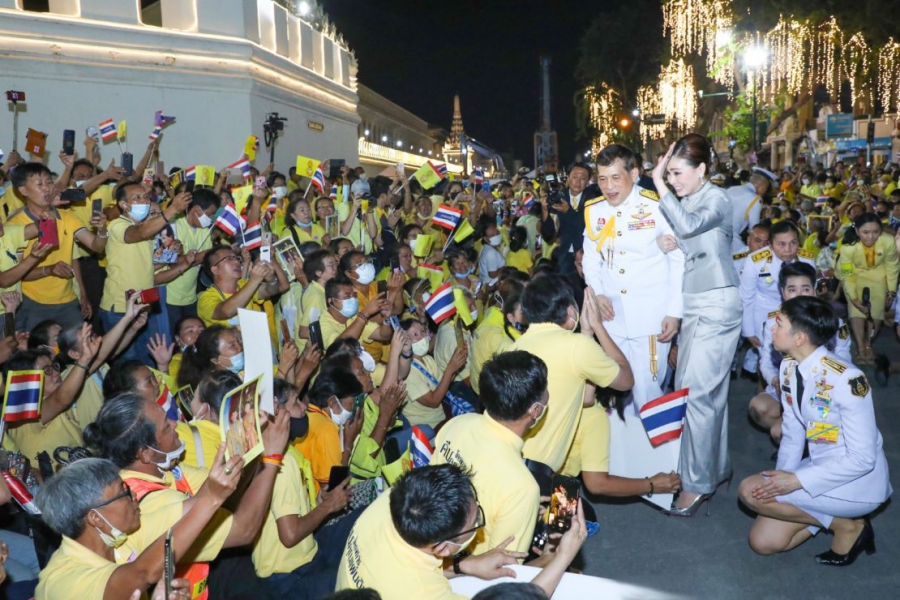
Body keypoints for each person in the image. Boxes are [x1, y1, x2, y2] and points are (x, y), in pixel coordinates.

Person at [83, 391, 289, 599]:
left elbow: (222, 484)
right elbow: (244, 530)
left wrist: (249, 432)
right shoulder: (154, 503)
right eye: (166, 426)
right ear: (145, 452)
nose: (175, 424)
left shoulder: (159, 471)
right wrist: (271, 456)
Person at [738, 296, 891, 565]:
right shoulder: (788, 367)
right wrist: (782, 478)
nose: (772, 328)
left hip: (857, 482)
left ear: (799, 338)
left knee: (749, 490)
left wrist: (796, 481)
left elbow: (863, 459)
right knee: (764, 541)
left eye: (780, 324)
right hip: (820, 465)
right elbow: (793, 431)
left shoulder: (847, 379)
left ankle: (847, 526)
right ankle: (842, 522)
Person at [583, 144, 684, 498]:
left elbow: (678, 260)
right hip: (613, 322)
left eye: (616, 178)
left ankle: (666, 473)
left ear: (635, 174)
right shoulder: (594, 211)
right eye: (602, 179)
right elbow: (591, 259)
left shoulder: (657, 207)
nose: (609, 186)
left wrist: (674, 311)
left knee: (648, 393)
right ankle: (630, 467)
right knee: (617, 393)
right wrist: (598, 294)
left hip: (651, 319)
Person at [651, 134, 742, 515]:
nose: (672, 180)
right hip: (696, 304)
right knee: (706, 394)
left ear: (701, 169)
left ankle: (697, 483)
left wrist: (657, 184)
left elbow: (689, 227)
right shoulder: (688, 200)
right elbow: (685, 237)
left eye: (677, 173)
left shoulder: (717, 197)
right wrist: (667, 243)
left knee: (696, 396)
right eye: (668, 174)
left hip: (716, 304)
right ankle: (715, 469)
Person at [336, 464, 587, 599]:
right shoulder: (423, 593)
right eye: (475, 521)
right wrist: (561, 557)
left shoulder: (396, 500)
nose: (478, 518)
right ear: (443, 547)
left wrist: (464, 564)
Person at [34, 452, 243, 600]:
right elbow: (142, 573)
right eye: (123, 492)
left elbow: (189, 513)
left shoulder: (120, 539)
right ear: (96, 518)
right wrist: (212, 498)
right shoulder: (63, 583)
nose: (133, 494)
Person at [511, 274, 632, 472]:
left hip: (509, 459)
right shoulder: (577, 347)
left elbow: (586, 399)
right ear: (570, 310)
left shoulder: (515, 347)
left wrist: (587, 334)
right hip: (536, 473)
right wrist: (598, 326)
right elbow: (626, 380)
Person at [430, 351, 544, 555]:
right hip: (465, 567)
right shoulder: (522, 489)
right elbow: (503, 569)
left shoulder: (457, 423)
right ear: (534, 410)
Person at [749, 263, 852, 445]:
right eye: (792, 290)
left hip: (823, 392)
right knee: (759, 408)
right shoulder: (775, 323)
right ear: (783, 292)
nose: (799, 295)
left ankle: (820, 443)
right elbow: (766, 362)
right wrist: (775, 380)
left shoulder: (832, 322)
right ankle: (802, 438)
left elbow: (844, 365)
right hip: (787, 389)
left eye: (805, 289)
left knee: (781, 433)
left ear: (814, 290)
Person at [10, 162, 108, 331]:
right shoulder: (16, 226)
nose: (47, 188)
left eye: (49, 182)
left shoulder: (67, 217)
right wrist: (48, 270)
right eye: (39, 184)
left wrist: (102, 231)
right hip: (33, 303)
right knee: (38, 347)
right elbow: (18, 274)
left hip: (68, 301)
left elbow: (96, 246)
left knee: (79, 344)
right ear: (23, 190)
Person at [739, 220, 815, 380]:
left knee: (799, 353)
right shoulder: (755, 261)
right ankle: (770, 387)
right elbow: (747, 297)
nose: (788, 249)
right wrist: (749, 331)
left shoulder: (807, 259)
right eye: (781, 244)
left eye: (793, 243)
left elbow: (811, 294)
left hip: (797, 311)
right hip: (764, 311)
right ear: (771, 244)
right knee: (767, 358)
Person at [833, 212, 900, 364]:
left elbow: (892, 266)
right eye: (866, 232)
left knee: (876, 313)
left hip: (879, 275)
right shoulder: (847, 247)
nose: (871, 237)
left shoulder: (888, 241)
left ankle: (868, 344)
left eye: (875, 232)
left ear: (881, 231)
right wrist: (854, 298)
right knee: (856, 311)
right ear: (857, 231)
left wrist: (891, 291)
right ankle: (860, 347)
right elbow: (848, 275)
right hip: (855, 276)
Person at [162, 187, 219, 326]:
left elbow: (202, 259)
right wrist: (211, 253)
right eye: (210, 214)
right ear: (197, 210)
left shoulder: (204, 231)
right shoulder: (174, 225)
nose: (211, 219)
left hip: (190, 296)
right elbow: (173, 261)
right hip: (170, 297)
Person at [539, 162, 599, 275]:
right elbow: (548, 235)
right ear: (567, 177)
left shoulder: (594, 199)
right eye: (575, 177)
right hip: (564, 254)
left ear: (588, 181)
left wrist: (568, 211)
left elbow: (588, 226)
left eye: (583, 178)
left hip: (587, 254)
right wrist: (544, 210)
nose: (578, 182)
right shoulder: (558, 197)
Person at [729, 172, 771, 253]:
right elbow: (755, 229)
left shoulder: (732, 189)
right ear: (762, 185)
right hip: (729, 238)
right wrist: (767, 219)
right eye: (766, 188)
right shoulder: (755, 199)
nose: (765, 191)